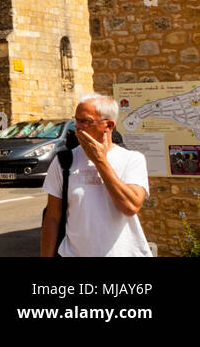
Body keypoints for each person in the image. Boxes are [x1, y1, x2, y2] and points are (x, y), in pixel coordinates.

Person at [41, 93, 150, 257]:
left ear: (109, 125)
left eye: (85, 121)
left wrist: (100, 161)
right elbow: (53, 217)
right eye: (76, 120)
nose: (77, 127)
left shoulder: (132, 159)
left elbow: (130, 207)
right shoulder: (64, 161)